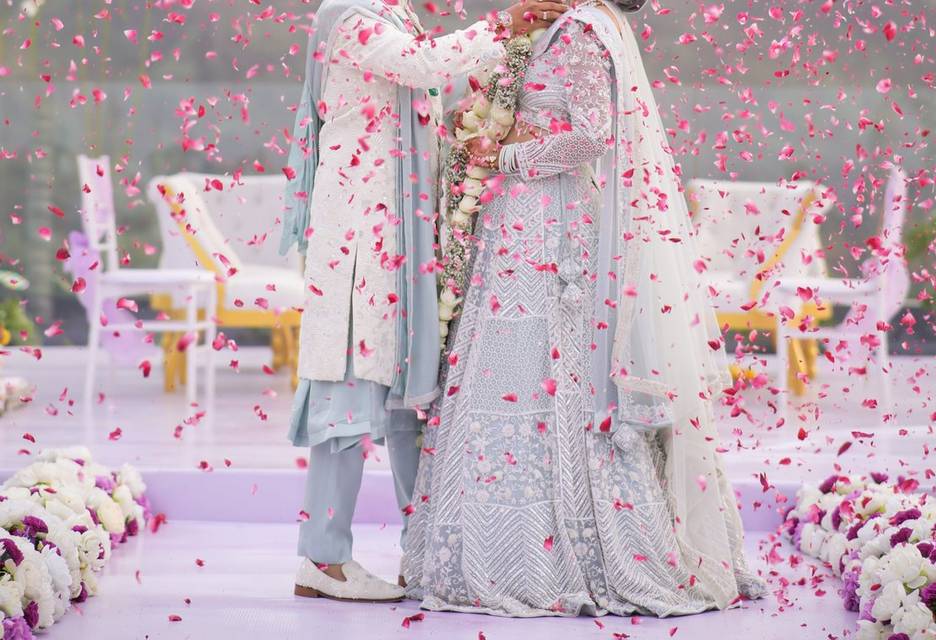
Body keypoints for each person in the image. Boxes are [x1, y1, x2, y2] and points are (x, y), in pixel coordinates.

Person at [401, 0, 768, 617]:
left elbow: (595, 134)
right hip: (515, 226)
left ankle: (562, 552)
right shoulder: (552, 29)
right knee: (501, 372)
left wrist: (510, 155)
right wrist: (486, 125)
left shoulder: (584, 33)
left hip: (550, 231)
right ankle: (491, 552)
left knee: (544, 371)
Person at [280, 0, 567, 603]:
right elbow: (422, 65)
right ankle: (323, 561)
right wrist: (504, 26)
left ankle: (429, 554)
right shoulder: (353, 20)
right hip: (360, 241)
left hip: (402, 237)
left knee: (409, 405)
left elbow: (420, 97)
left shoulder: (391, 16)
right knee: (348, 397)